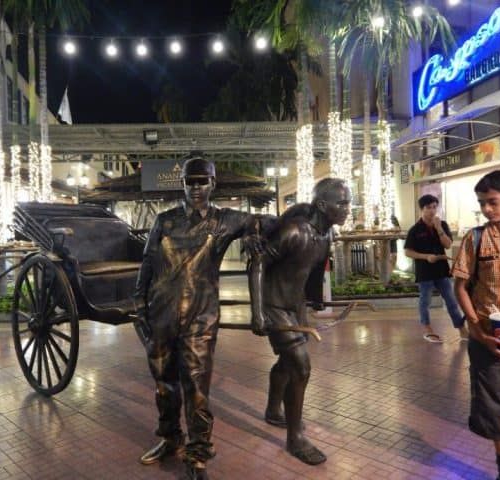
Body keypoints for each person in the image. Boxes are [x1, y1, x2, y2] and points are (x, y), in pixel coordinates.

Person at [133, 154, 260, 480]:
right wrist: (139, 304)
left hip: (200, 319)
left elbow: (265, 223)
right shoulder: (164, 220)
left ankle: (198, 454)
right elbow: (147, 263)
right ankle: (170, 438)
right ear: (182, 184)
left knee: (196, 388)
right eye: (190, 181)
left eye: (202, 181)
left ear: (213, 183)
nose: (196, 187)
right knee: (164, 385)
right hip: (161, 315)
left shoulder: (224, 220)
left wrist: (253, 232)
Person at [248, 178, 351, 466]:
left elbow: (312, 272)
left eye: (348, 203)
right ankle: (295, 438)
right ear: (322, 205)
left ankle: (273, 410)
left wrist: (313, 303)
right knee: (301, 366)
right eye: (342, 203)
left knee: (287, 360)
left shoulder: (326, 235)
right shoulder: (295, 231)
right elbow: (257, 263)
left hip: (295, 306)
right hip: (274, 305)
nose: (347, 208)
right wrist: (257, 312)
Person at [452, 170, 500, 480]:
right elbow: (460, 286)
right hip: (491, 342)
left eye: (493, 202)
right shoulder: (476, 238)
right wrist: (476, 329)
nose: (486, 209)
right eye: (482, 203)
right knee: (494, 411)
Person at [404, 194, 467, 343]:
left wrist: (439, 228)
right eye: (428, 207)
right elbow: (408, 251)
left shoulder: (442, 225)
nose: (432, 211)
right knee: (425, 302)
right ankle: (427, 330)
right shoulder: (415, 229)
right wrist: (425, 256)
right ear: (422, 209)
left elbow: (448, 245)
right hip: (424, 272)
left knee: (451, 301)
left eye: (434, 207)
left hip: (441, 270)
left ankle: (461, 329)